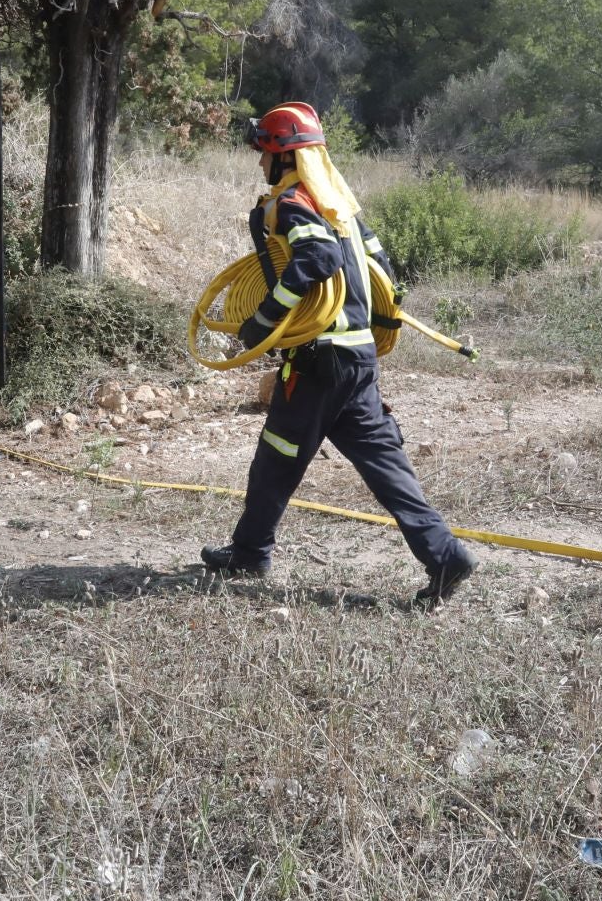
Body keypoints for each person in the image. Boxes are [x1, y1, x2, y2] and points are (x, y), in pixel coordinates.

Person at [200, 102, 477, 605]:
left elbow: (316, 258)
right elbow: (384, 273)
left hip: (317, 362)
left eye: (265, 153)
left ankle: (250, 552)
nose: (260, 163)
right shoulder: (343, 210)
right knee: (382, 461)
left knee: (275, 459)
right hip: (357, 360)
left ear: (285, 158)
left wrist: (264, 320)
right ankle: (445, 555)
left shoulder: (294, 204)